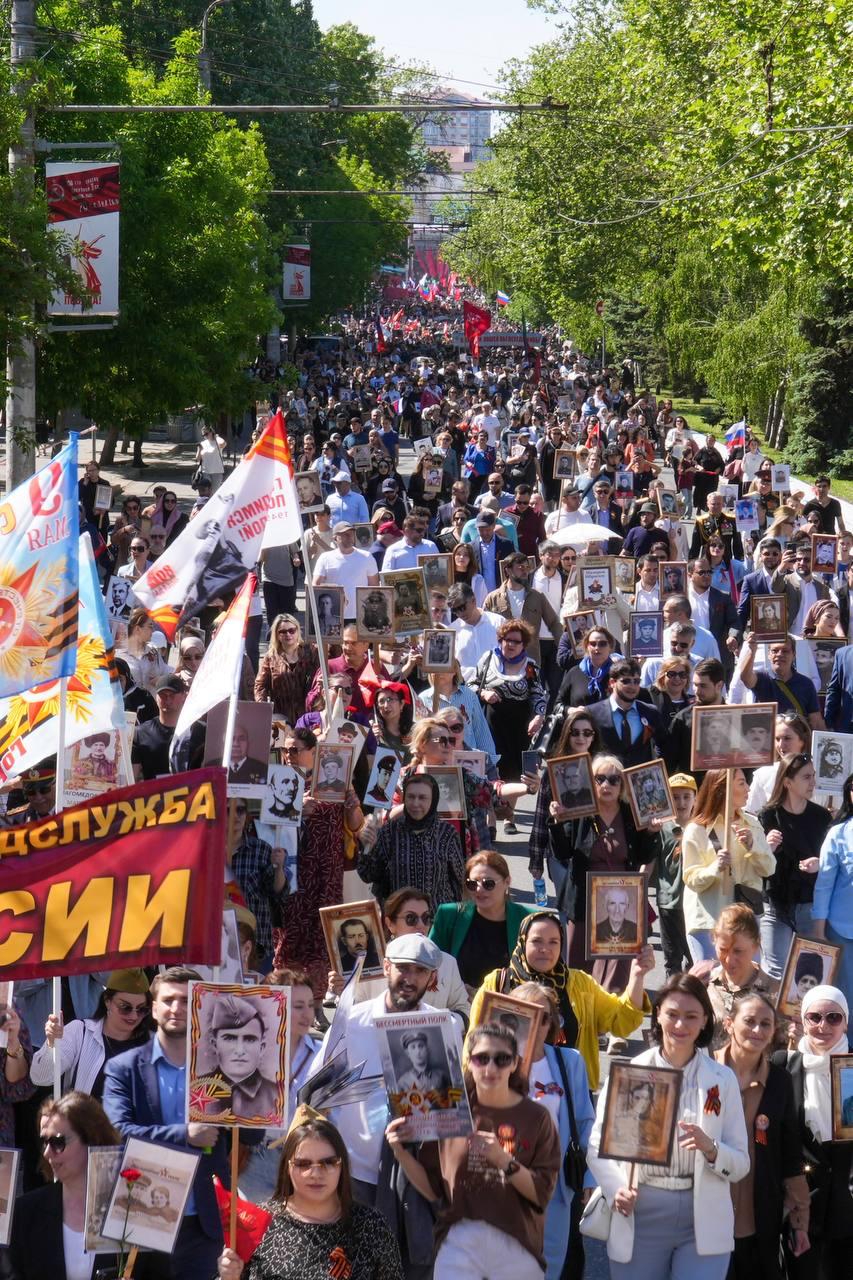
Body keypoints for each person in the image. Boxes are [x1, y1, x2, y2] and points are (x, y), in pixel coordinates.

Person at [587, 973, 750, 1279]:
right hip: (639, 1211)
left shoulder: (722, 1079)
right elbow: (597, 1146)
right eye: (672, 1014)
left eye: (691, 1016)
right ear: (658, 1014)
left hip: (702, 1216)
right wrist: (616, 1188)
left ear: (705, 1021)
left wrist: (711, 1149)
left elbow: (741, 1163)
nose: (680, 1025)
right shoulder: (630, 1072)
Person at [104, 966, 251, 1280]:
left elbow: (251, 1136)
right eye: (169, 1000)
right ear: (153, 1008)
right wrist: (185, 1135)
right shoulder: (122, 1069)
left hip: (204, 1220)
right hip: (143, 1217)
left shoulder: (225, 1068)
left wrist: (261, 1087)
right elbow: (117, 1134)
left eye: (187, 1000)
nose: (177, 1008)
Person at [385, 1021, 561, 1280]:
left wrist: (503, 1160)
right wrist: (400, 1152)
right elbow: (433, 1190)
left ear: (515, 1063)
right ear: (469, 1062)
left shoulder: (537, 1117)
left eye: (502, 1059)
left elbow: (541, 1194)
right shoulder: (449, 1112)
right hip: (458, 1243)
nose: (490, 1068)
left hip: (518, 1244)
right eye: (482, 1058)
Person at [470, 911, 652, 1090]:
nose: (545, 949)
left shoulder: (580, 983)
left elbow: (621, 1020)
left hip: (570, 1093)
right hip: (509, 1093)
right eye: (537, 941)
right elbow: (472, 1045)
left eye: (553, 942)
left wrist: (637, 976)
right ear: (523, 942)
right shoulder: (497, 983)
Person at [218, 1113, 404, 1280]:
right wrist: (228, 1277)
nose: (315, 1173)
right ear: (287, 1167)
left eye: (328, 1162)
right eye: (303, 1164)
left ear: (342, 1165)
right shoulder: (257, 1224)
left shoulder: (371, 1225)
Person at [714, 991, 810, 1280]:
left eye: (765, 1024)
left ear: (773, 1031)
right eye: (749, 1021)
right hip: (705, 1214)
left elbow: (790, 1154)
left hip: (757, 1218)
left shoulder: (780, 1081)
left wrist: (799, 1220)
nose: (757, 1030)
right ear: (729, 1023)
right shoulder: (704, 1071)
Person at [772, 985, 853, 1279]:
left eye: (833, 1017)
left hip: (846, 1204)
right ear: (803, 1021)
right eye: (815, 1017)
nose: (823, 1026)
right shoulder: (783, 1065)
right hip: (799, 1207)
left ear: (846, 1023)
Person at [8, 1091, 123, 1280]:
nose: (47, 1153)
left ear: (92, 1139)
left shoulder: (129, 1209)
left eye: (57, 1142)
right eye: (44, 1142)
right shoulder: (24, 1214)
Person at [682, 768, 776, 963]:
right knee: (711, 979)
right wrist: (715, 868)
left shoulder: (752, 823)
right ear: (723, 789)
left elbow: (769, 868)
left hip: (746, 922)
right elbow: (691, 879)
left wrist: (753, 846)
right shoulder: (697, 829)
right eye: (742, 783)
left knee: (748, 980)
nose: (748, 788)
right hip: (709, 922)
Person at [757, 752, 832, 979]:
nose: (813, 782)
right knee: (775, 973)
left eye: (813, 776)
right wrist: (766, 848)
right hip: (775, 904)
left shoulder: (821, 817)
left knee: (810, 974)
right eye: (806, 777)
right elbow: (756, 863)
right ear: (788, 782)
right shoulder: (767, 816)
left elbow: (832, 860)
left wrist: (820, 863)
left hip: (810, 904)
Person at [31, 968, 151, 1100]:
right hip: (84, 1114)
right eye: (125, 1007)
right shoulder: (79, 1031)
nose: (134, 1016)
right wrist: (51, 1044)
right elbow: (40, 1078)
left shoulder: (153, 1044)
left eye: (142, 1009)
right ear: (107, 1001)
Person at [430, 851, 536, 992]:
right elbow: (430, 964)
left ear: (507, 882)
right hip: (457, 1000)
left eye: (488, 884)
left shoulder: (530, 919)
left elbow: (540, 972)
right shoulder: (449, 915)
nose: (479, 889)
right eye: (472, 884)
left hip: (507, 1002)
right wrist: (457, 989)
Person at [357, 773, 465, 906]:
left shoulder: (446, 834)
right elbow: (367, 875)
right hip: (398, 914)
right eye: (411, 797)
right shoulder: (389, 832)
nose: (415, 803)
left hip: (437, 915)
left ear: (433, 800)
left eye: (422, 798)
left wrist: (456, 913)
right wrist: (368, 847)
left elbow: (458, 880)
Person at [472, 617, 547, 801]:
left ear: (524, 644)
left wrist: (538, 716)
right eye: (507, 640)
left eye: (516, 641)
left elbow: (538, 695)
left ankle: (508, 813)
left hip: (518, 729)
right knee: (491, 769)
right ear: (501, 640)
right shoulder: (488, 659)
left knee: (513, 773)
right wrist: (484, 693)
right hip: (490, 727)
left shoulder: (530, 667)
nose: (511, 644)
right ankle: (491, 810)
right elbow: (470, 685)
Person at [703, 905, 781, 1050]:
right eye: (723, 950)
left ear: (756, 946)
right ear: (714, 941)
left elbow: (783, 1046)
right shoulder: (705, 983)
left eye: (738, 951)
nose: (729, 960)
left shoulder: (774, 991)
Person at [810, 784, 853, 1013]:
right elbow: (824, 884)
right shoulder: (838, 833)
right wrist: (819, 930)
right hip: (842, 930)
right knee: (847, 999)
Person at [206, 992, 279, 1120]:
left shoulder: (276, 1095)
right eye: (230, 1038)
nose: (240, 1050)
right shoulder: (196, 1090)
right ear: (214, 1044)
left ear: (261, 1047)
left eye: (249, 1039)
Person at [253, 614, 316, 724]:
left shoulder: (311, 652)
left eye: (292, 630)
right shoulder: (271, 657)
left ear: (298, 631)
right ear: (277, 635)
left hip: (307, 715)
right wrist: (264, 708)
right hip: (281, 717)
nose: (288, 634)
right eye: (282, 632)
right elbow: (260, 686)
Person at [132, 673, 187, 780]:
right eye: (163, 695)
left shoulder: (197, 731)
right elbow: (132, 777)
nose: (168, 700)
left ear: (184, 696)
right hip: (153, 790)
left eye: (172, 695)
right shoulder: (140, 733)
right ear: (156, 697)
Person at [196, 425, 226, 491]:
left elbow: (223, 443)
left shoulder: (217, 442)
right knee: (206, 491)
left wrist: (216, 437)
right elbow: (197, 459)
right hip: (205, 471)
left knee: (214, 492)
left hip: (217, 471)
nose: (205, 436)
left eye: (206, 434)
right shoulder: (202, 443)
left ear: (211, 432)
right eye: (203, 435)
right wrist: (199, 449)